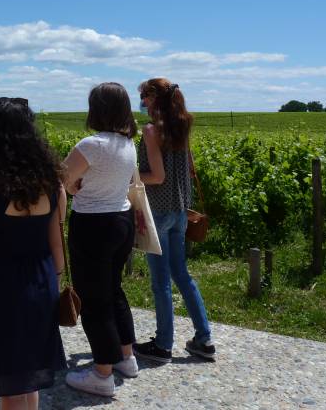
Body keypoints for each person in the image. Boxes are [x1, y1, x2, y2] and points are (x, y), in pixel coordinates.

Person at [0, 97, 67, 410]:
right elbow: (56, 240)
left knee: (9, 384)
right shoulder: (53, 181)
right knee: (28, 377)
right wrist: (54, 286)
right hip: (41, 281)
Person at [61, 82, 139, 397]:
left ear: (97, 109)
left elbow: (63, 178)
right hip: (122, 219)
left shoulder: (91, 145)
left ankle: (102, 373)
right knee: (113, 290)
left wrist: (74, 188)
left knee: (93, 300)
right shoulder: (128, 144)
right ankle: (126, 357)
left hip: (93, 224)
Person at [133, 78, 215, 363]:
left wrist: (129, 176)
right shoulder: (182, 127)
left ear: (155, 98)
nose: (142, 102)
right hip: (181, 210)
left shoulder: (152, 130)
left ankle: (163, 345)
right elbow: (188, 168)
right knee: (182, 274)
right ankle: (204, 339)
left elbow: (156, 177)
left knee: (161, 283)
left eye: (144, 97)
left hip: (157, 211)